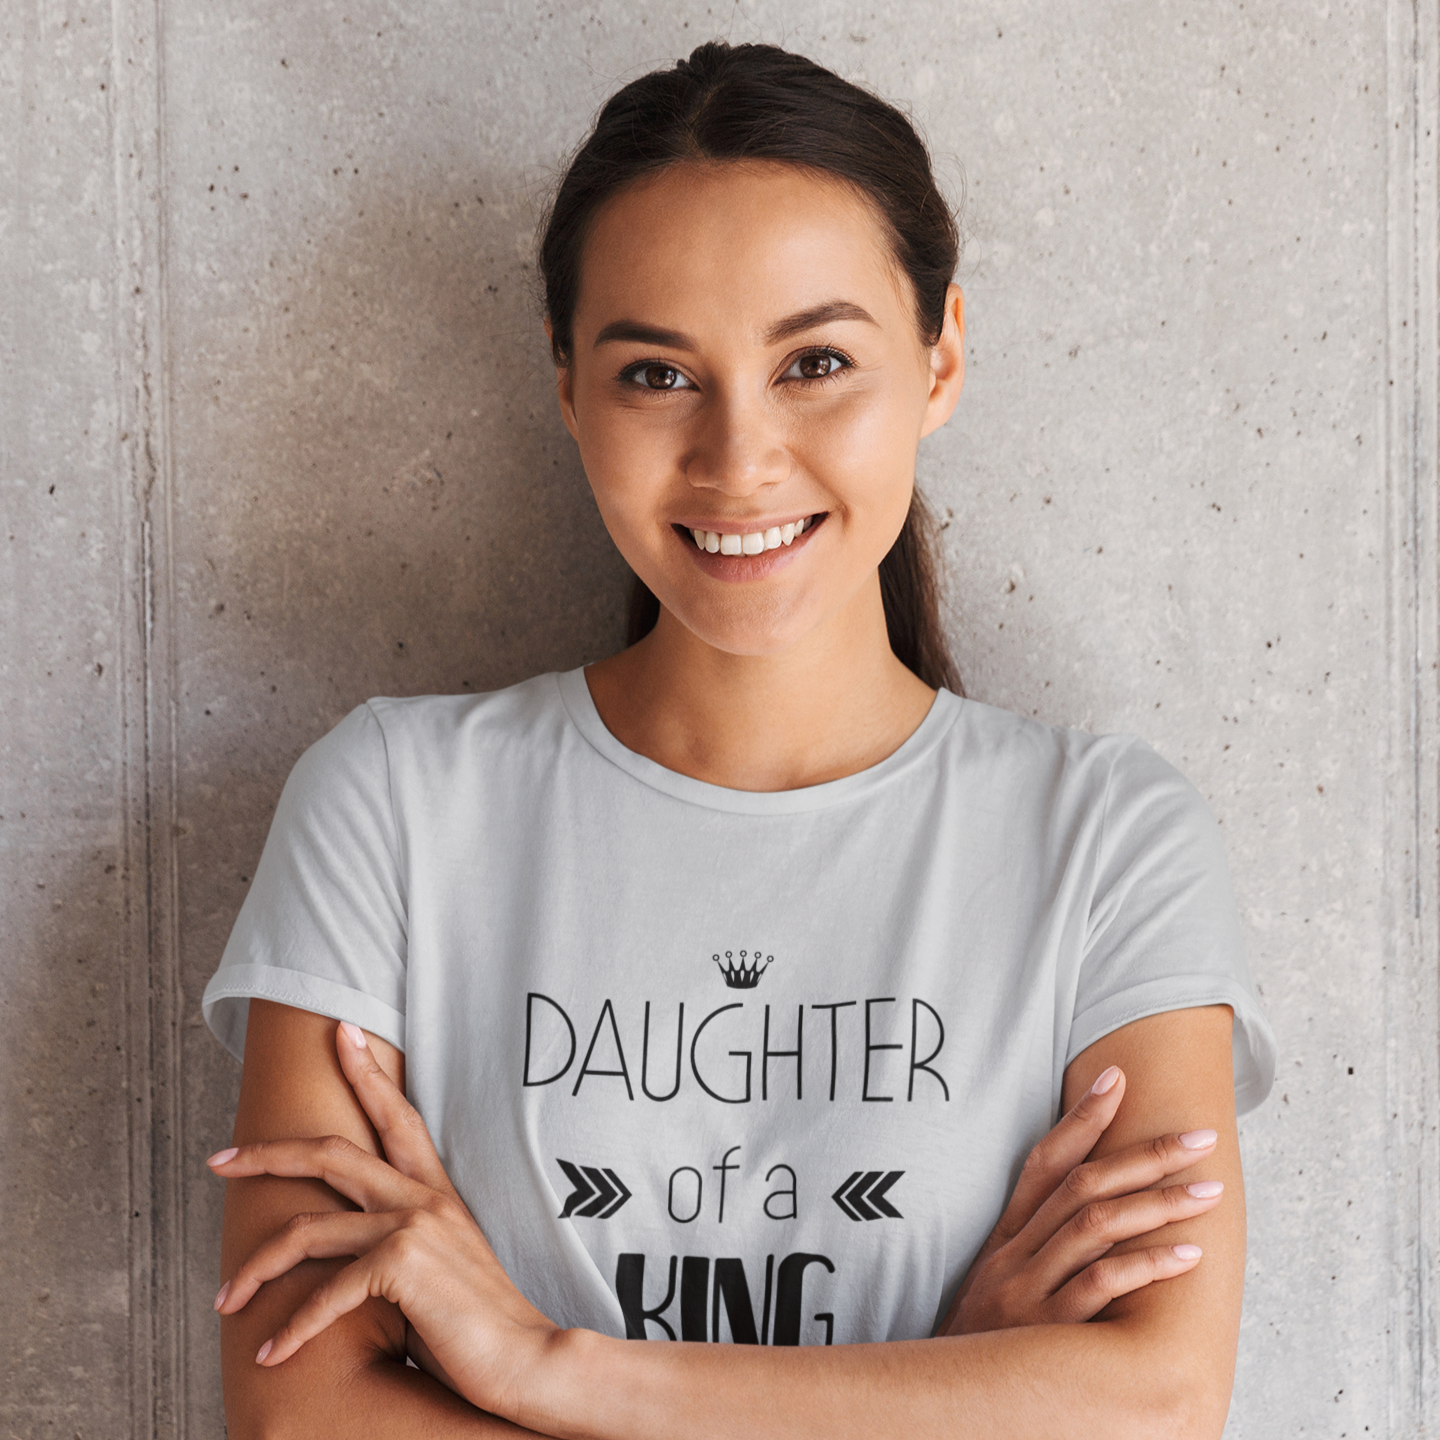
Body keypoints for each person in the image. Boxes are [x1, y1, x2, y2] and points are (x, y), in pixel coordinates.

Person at [201, 40, 1275, 1439]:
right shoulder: (395, 803)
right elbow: (303, 1420)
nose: (739, 459)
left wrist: (540, 1365)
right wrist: (946, 1388)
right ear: (567, 379)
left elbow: (1157, 1400)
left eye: (816, 361)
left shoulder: (1107, 837)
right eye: (657, 375)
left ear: (942, 355)